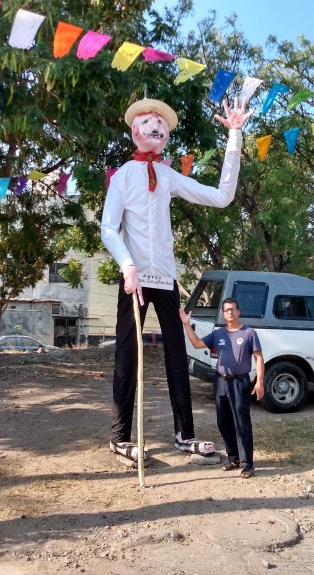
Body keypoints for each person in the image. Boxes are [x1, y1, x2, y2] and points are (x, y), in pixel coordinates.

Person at [101, 95, 254, 464]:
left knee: (176, 358)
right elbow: (108, 227)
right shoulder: (123, 176)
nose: (155, 125)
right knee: (127, 356)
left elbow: (221, 197)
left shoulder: (168, 175)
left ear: (165, 134)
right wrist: (126, 264)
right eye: (148, 121)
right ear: (135, 130)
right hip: (134, 281)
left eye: (161, 122)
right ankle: (120, 438)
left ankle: (184, 435)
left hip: (166, 279)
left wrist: (234, 137)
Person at [180, 298, 264, 478]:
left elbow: (258, 357)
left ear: (239, 311)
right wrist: (187, 324)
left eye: (233, 309)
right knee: (223, 421)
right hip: (221, 381)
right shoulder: (218, 334)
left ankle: (247, 463)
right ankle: (233, 458)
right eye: (226, 310)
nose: (229, 313)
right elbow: (196, 344)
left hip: (239, 381)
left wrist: (260, 381)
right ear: (223, 313)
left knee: (241, 423)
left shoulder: (249, 333)